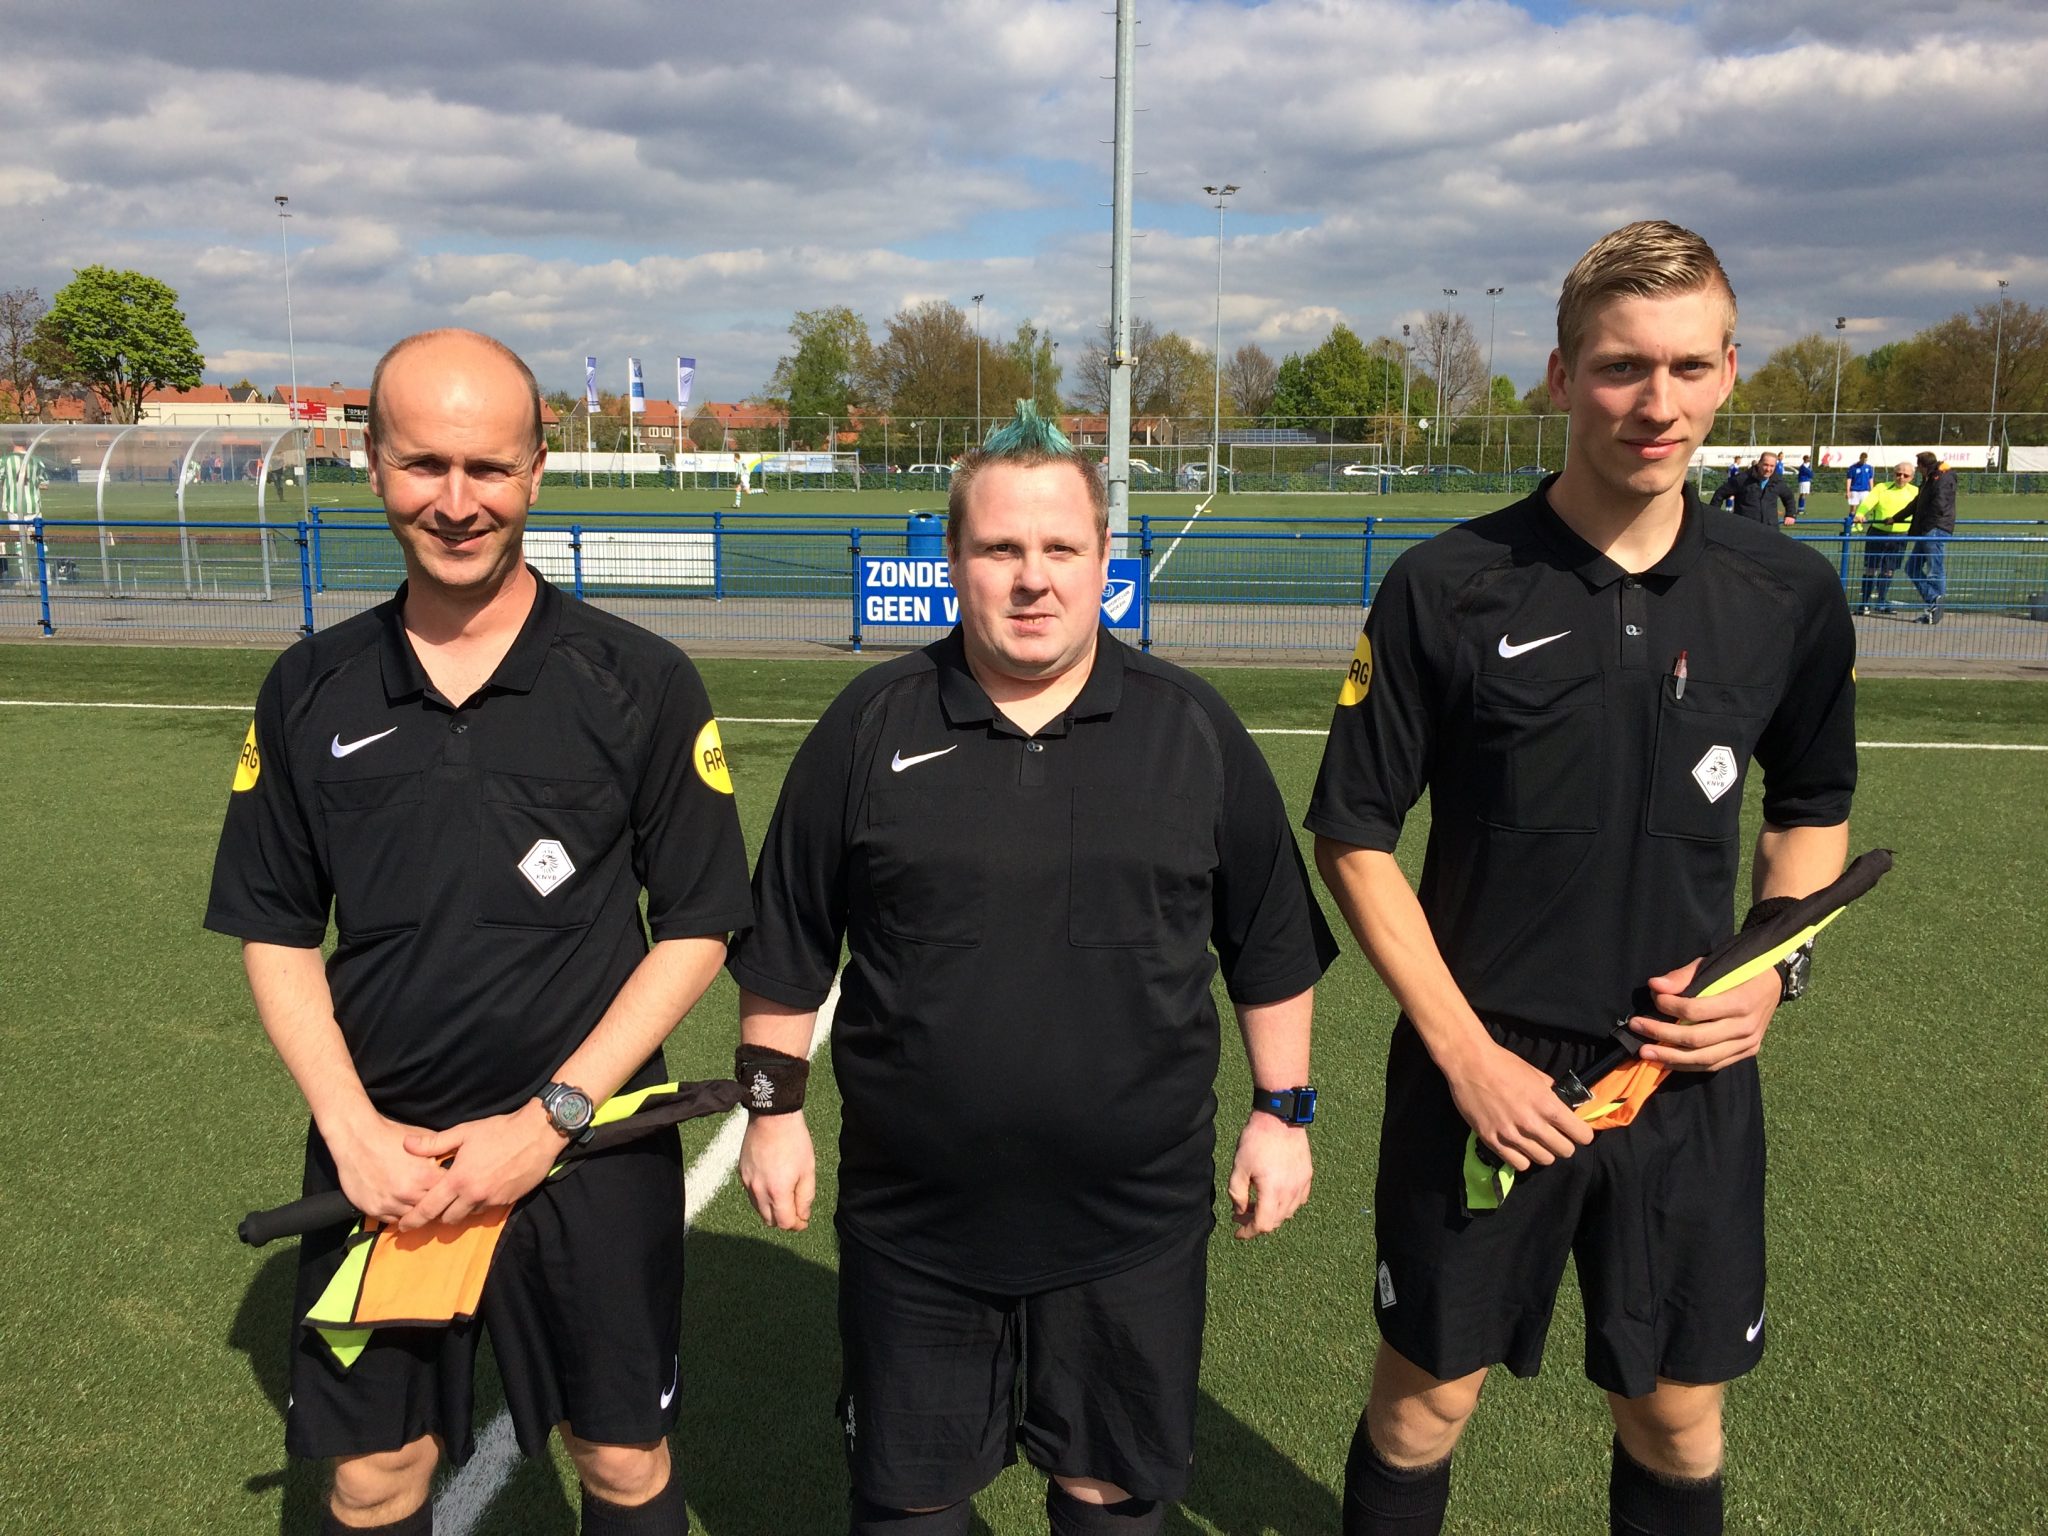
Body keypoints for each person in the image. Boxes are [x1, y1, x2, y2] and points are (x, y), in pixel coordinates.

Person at [1306, 220, 1855, 1536]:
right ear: (1560, 377)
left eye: (1686, 366)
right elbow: (1353, 834)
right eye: (1619, 367)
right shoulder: (1445, 588)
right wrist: (1466, 1058)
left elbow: (1813, 810)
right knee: (1422, 1407)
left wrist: (1769, 978)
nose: (1654, 402)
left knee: (1675, 1420)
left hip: (1681, 1083)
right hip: (1480, 1076)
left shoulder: (1786, 592)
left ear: (1728, 371)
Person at [729, 403, 1337, 1536]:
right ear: (953, 560)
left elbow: (1269, 945)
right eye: (1000, 548)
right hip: (915, 1221)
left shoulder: (1190, 729)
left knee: (1110, 1502)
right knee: (909, 1505)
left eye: (1060, 547)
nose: (1031, 579)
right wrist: (770, 1113)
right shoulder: (870, 725)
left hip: (1132, 1221)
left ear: (1105, 559)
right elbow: (787, 942)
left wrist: (1283, 1113)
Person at [206, 328, 751, 1536]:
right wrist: (352, 1134)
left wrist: (548, 1118)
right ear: (373, 463)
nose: (456, 502)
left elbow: (699, 923)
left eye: (489, 468)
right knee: (373, 1478)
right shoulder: (310, 688)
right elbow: (276, 928)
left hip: (588, 1154)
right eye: (424, 465)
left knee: (620, 1461)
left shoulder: (640, 682)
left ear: (536, 470)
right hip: (384, 1160)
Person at [1852, 460, 1919, 614]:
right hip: (1877, 533)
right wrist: (1860, 513)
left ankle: (1881, 602)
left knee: (1888, 570)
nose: (1901, 477)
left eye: (1905, 475)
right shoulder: (1881, 487)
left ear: (1912, 478)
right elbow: (1868, 502)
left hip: (1900, 536)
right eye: (1898, 474)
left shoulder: (1916, 491)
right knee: (1871, 568)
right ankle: (1864, 604)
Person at [1904, 450, 1958, 624]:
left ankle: (1935, 607)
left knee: (1935, 570)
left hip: (1934, 529)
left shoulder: (1941, 478)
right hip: (1927, 529)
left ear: (1922, 465)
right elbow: (1917, 503)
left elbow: (1939, 505)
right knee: (1912, 567)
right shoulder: (1930, 479)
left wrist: (1928, 526)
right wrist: (1896, 517)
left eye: (1918, 466)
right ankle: (1934, 600)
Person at [1707, 451, 1796, 528]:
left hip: (1770, 528)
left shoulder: (1777, 481)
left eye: (1772, 466)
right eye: (1765, 465)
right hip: (1745, 529)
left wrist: (1790, 514)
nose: (1768, 469)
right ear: (1759, 463)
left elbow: (1789, 497)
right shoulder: (1743, 479)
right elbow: (1720, 493)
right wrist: (1714, 515)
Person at [1, 441, 49, 583]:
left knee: (19, 542)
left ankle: (27, 579)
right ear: (27, 442)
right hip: (34, 506)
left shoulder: (5, 461)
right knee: (38, 541)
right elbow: (45, 483)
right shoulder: (37, 461)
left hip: (14, 507)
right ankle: (45, 577)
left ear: (12, 441)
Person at [1844, 452, 1874, 519]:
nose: (1864, 461)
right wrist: (1848, 491)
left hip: (1865, 491)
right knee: (1853, 509)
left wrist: (1872, 489)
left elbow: (1871, 479)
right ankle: (1851, 521)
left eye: (1865, 460)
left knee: (1864, 508)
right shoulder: (1853, 467)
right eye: (1863, 459)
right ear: (1860, 458)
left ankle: (1860, 521)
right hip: (1854, 490)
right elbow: (1849, 479)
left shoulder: (1869, 468)